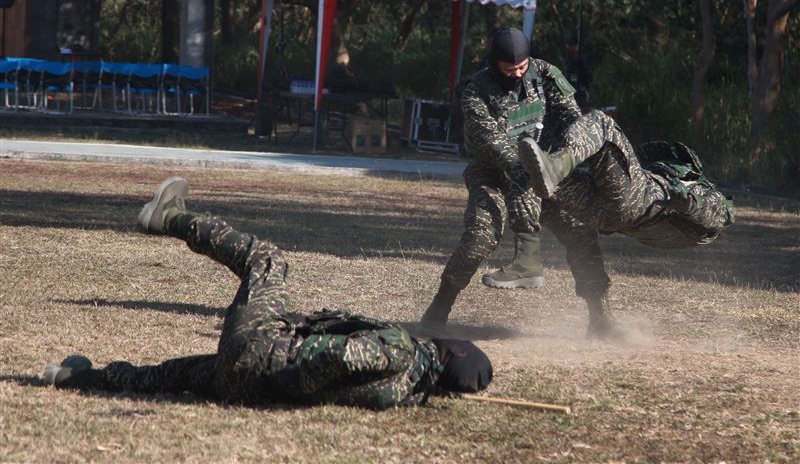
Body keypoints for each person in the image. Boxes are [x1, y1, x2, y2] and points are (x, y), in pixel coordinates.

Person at [44, 177, 493, 409]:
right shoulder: (407, 391)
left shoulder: (401, 351)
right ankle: (77, 378)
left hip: (264, 356)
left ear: (452, 354)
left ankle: (169, 217)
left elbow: (338, 358)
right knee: (168, 378)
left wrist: (287, 366)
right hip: (248, 386)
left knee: (268, 261)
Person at [519, 110, 735, 336]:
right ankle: (600, 320)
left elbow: (722, 215)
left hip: (636, 206)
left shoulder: (695, 186)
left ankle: (535, 182)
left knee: (602, 123)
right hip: (610, 216)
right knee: (537, 177)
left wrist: (690, 205)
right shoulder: (665, 185)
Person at [421, 28, 583, 327]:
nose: (518, 75)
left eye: (522, 67)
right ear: (494, 64)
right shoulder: (475, 92)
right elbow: (495, 144)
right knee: (479, 237)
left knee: (580, 231)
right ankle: (439, 308)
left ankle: (601, 315)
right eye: (510, 70)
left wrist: (566, 156)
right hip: (492, 174)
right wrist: (530, 168)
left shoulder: (545, 74)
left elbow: (573, 118)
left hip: (545, 170)